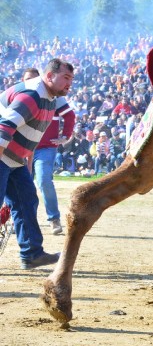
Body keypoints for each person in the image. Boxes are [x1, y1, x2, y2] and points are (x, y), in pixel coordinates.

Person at [0, 58, 74, 269]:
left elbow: (32, 135)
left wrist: (26, 164)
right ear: (49, 75)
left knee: (26, 201)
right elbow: (4, 127)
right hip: (2, 153)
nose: (69, 83)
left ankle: (31, 253)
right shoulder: (32, 95)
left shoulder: (50, 97)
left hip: (14, 158)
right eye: (65, 78)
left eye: (71, 79)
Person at [22, 68, 76, 235]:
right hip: (23, 149)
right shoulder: (21, 96)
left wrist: (65, 136)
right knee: (20, 185)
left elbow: (70, 116)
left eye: (33, 79)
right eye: (27, 79)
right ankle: (21, 221)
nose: (30, 82)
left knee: (44, 180)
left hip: (44, 149)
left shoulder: (54, 98)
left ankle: (54, 219)